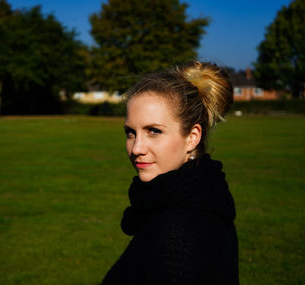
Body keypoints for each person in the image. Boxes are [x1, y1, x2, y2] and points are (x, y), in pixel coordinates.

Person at [102, 61, 239, 284]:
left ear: (192, 137)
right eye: (130, 133)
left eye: (154, 131)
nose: (136, 148)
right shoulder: (204, 197)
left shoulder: (177, 237)